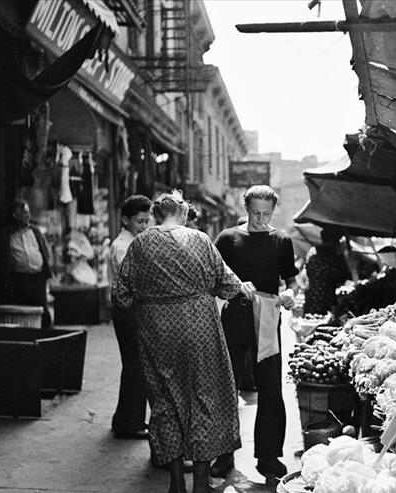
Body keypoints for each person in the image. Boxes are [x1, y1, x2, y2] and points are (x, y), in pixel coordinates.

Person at [112, 190, 254, 493]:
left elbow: (121, 295)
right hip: (199, 326)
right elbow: (228, 286)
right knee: (203, 397)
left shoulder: (139, 244)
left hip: (156, 331)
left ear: (156, 216)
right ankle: (201, 483)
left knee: (165, 403)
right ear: (184, 214)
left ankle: (176, 483)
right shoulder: (200, 240)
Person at [214, 185, 298, 480]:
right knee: (228, 386)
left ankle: (268, 457)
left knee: (271, 387)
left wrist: (290, 295)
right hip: (236, 315)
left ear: (273, 210)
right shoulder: (227, 238)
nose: (261, 219)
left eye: (266, 213)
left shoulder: (282, 240)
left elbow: (292, 281)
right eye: (255, 213)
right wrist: (236, 286)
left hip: (268, 317)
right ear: (245, 209)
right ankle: (223, 453)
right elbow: (213, 279)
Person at [108, 194, 152, 439]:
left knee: (136, 366)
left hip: (133, 308)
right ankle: (128, 423)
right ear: (125, 220)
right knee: (135, 366)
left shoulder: (134, 242)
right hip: (128, 310)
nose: (144, 226)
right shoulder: (123, 245)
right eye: (140, 221)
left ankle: (129, 420)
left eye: (147, 221)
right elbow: (135, 281)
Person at [0, 199, 52, 329]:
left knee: (42, 312)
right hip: (19, 279)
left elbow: (45, 250)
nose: (27, 215)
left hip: (37, 279)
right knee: (22, 313)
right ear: (14, 215)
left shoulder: (35, 231)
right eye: (23, 212)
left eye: (27, 212)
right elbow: (3, 257)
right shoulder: (7, 234)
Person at [303, 228, 350, 316]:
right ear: (336, 241)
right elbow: (342, 277)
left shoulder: (314, 256)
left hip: (311, 300)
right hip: (324, 302)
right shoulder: (332, 258)